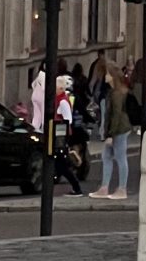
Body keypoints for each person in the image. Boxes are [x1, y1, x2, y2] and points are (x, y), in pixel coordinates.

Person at [92, 68, 132, 200]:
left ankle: (122, 189)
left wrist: (110, 135)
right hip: (116, 129)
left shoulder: (116, 94)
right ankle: (104, 187)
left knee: (120, 157)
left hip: (119, 130)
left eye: (108, 74)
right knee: (106, 156)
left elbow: (116, 115)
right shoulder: (113, 92)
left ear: (113, 76)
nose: (106, 76)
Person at [52, 75, 84, 195]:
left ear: (60, 88)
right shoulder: (58, 99)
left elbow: (68, 120)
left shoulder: (63, 102)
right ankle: (75, 186)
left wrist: (62, 135)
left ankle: (77, 188)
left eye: (55, 87)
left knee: (61, 163)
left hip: (61, 134)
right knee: (59, 163)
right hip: (58, 133)